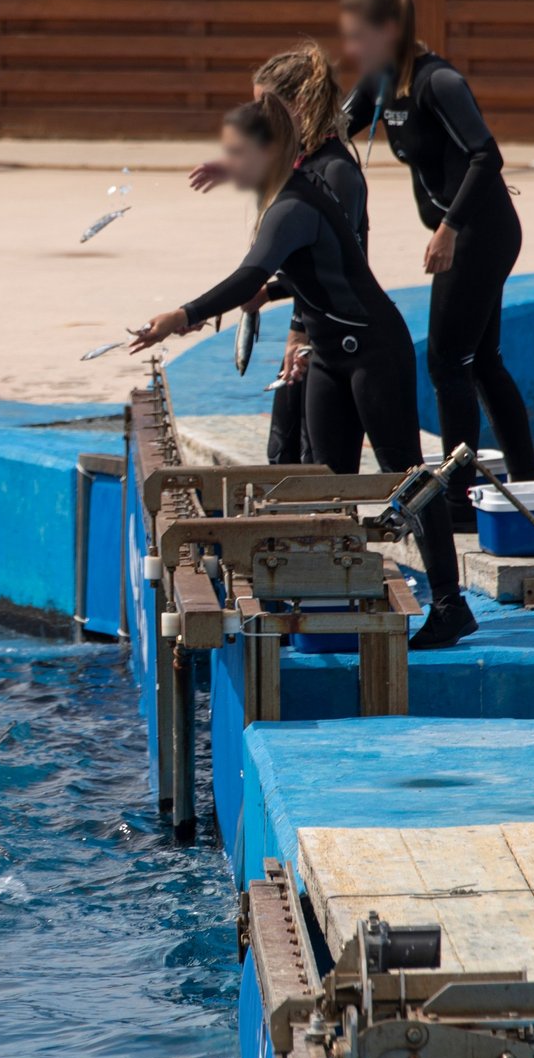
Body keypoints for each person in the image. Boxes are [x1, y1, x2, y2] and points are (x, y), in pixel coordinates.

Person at [131, 93, 477, 649]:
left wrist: (182, 316)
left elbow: (248, 273)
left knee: (404, 475)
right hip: (329, 353)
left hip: (373, 352)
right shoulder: (289, 192)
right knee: (325, 480)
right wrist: (270, 293)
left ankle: (449, 603)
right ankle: (331, 595)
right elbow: (308, 270)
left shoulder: (295, 202)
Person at [339, 0, 534, 526]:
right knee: (483, 362)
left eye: (360, 37)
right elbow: (332, 129)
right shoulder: (381, 84)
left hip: (481, 232)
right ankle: (528, 485)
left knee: (448, 361)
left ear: (389, 32)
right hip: (464, 234)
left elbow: (486, 156)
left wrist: (448, 228)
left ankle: (457, 504)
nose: (352, 50)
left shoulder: (439, 82)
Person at [187, 41, 367, 467]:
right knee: (282, 456)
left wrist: (298, 334)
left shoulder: (337, 172)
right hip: (314, 329)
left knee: (318, 465)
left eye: (265, 109)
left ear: (300, 104)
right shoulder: (303, 162)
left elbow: (340, 268)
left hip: (337, 343)